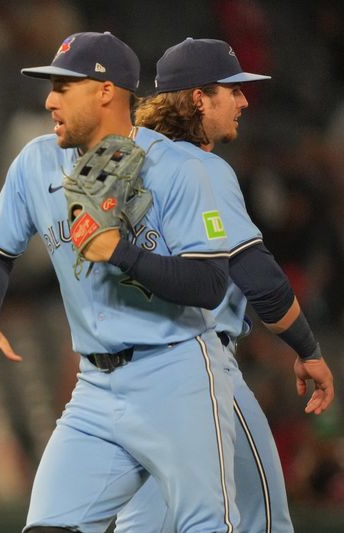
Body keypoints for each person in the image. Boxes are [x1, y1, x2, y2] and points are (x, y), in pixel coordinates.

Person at [0, 31, 244, 532]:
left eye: (63, 87)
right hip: (96, 387)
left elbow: (210, 284)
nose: (49, 100)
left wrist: (120, 252)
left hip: (178, 376)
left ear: (105, 90)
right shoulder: (36, 161)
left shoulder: (182, 168)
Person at [115, 37, 336, 533]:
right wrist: (308, 349)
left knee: (146, 526)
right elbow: (259, 278)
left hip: (127, 378)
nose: (243, 101)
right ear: (198, 98)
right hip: (195, 365)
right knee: (264, 520)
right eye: (231, 90)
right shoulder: (200, 167)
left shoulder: (126, 160)